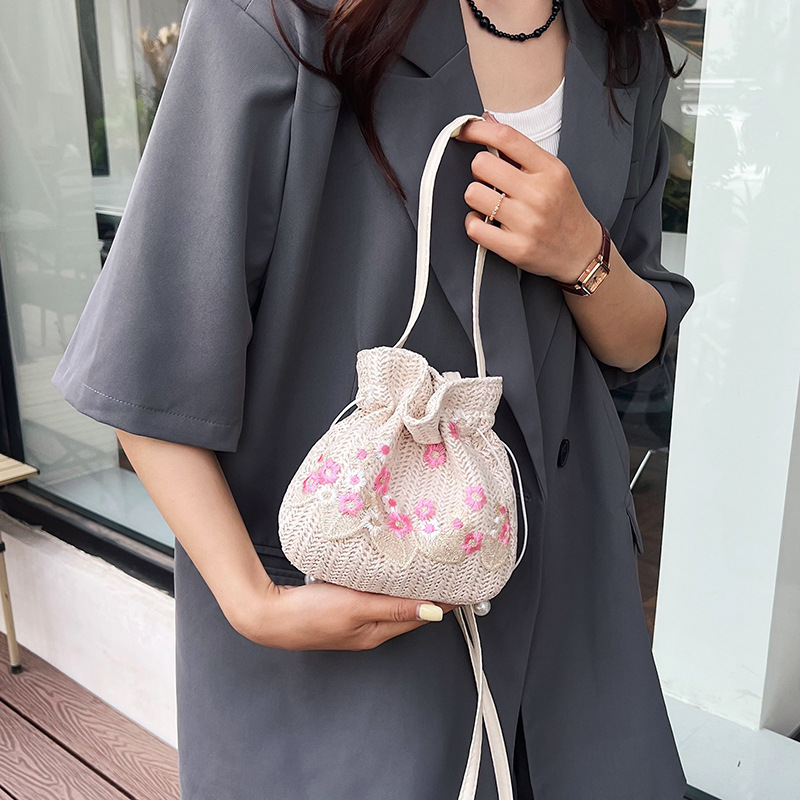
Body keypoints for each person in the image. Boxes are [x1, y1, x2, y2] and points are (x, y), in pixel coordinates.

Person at [51, 0, 695, 796]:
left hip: (571, 609)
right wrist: (254, 604)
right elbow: (147, 362)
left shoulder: (622, 40)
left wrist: (581, 254)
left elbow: (635, 342)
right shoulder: (284, 18)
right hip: (354, 616)